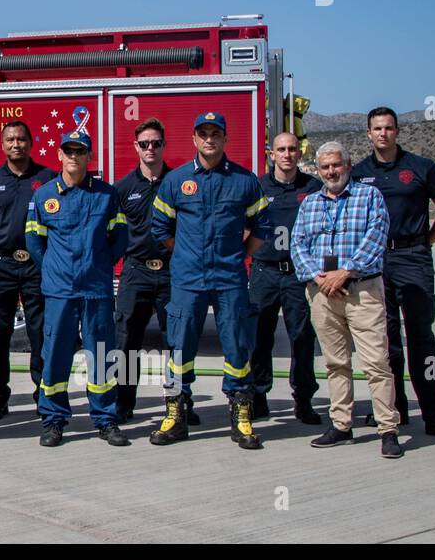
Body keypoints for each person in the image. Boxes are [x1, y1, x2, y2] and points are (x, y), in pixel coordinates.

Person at [149, 112, 271, 450]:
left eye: (216, 133)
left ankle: (241, 416)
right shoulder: (177, 180)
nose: (209, 139)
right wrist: (186, 254)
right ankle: (176, 414)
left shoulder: (245, 181)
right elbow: (160, 227)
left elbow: (262, 226)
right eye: (203, 133)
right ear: (194, 139)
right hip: (188, 280)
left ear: (225, 139)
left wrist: (239, 255)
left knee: (237, 347)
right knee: (179, 349)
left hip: (230, 277)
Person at [352, 107, 435, 436]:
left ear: (397, 131)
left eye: (388, 128)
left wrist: (426, 242)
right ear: (368, 134)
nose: (382, 133)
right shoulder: (358, 173)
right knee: (384, 343)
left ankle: (434, 411)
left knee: (422, 339)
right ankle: (393, 410)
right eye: (376, 129)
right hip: (375, 262)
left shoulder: (421, 168)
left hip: (413, 259)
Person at [291, 141, 401, 459]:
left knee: (376, 363)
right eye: (325, 167)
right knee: (336, 363)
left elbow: (377, 235)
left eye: (336, 165)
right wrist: (320, 277)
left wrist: (346, 271)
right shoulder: (310, 203)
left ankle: (387, 429)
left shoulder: (369, 197)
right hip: (323, 292)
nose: (331, 172)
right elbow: (298, 244)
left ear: (348, 166)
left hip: (361, 290)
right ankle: (341, 424)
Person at [24, 131, 130, 447]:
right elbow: (34, 241)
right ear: (59, 155)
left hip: (96, 289)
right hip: (59, 291)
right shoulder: (44, 196)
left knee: (101, 354)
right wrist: (54, 269)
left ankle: (105, 419)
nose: (74, 156)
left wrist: (100, 265)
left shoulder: (106, 195)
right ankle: (54, 420)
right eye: (68, 150)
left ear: (89, 156)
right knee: (55, 354)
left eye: (80, 151)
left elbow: (120, 239)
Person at [113, 118, 189, 424]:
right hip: (136, 272)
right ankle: (123, 404)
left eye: (156, 143)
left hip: (172, 272)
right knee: (127, 340)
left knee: (178, 341)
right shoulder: (122, 188)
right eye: (144, 143)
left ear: (163, 146)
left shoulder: (179, 183)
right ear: (136, 147)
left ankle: (180, 403)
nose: (150, 149)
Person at [0, 121, 52, 420]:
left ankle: (43, 392)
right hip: (3, 265)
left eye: (21, 138)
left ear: (30, 142)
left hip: (37, 266)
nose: (16, 144)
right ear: (2, 144)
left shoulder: (47, 178)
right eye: (10, 139)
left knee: (39, 332)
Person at [248, 132, 323, 425]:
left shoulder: (313, 187)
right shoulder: (258, 186)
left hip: (298, 275)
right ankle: (259, 395)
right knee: (258, 337)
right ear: (271, 153)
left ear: (299, 153)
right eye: (281, 149)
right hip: (264, 270)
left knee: (302, 338)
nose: (287, 154)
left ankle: (303, 399)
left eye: (292, 149)